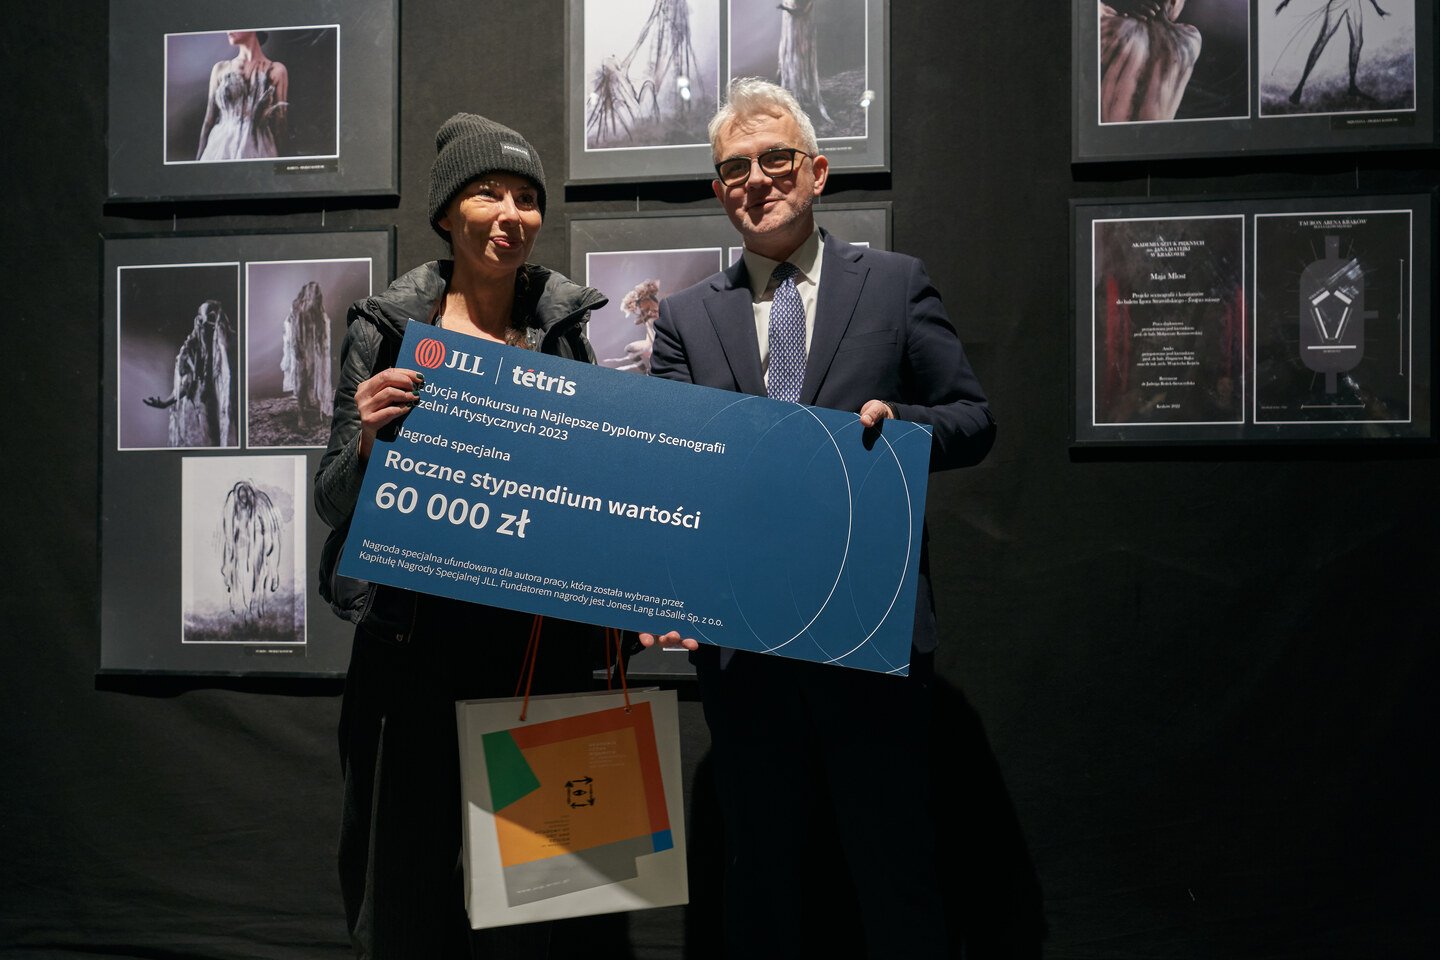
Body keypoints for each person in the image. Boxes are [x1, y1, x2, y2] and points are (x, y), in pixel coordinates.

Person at [641, 78, 996, 958]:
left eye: (776, 159)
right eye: (735, 168)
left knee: (895, 871)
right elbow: (670, 471)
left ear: (818, 171)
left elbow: (973, 419)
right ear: (719, 189)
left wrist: (901, 426)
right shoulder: (686, 318)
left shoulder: (895, 285)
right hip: (745, 647)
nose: (756, 179)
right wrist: (666, 588)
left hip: (869, 631)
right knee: (762, 880)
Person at [314, 113, 612, 958]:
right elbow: (332, 503)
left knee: (544, 901)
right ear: (448, 213)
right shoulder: (385, 331)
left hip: (536, 655)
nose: (510, 214)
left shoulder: (566, 334)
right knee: (403, 899)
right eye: (488, 194)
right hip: (411, 651)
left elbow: (594, 496)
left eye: (526, 198)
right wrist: (367, 445)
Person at [142, 299, 235, 447]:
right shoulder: (193, 349)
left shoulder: (232, 344)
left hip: (230, 405)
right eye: (203, 320)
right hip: (205, 406)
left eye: (213, 319)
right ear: (198, 321)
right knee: (213, 443)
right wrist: (166, 403)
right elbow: (187, 383)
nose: (209, 325)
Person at [196, 30, 288, 161]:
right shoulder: (220, 69)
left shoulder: (276, 70)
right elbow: (208, 120)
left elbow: (280, 123)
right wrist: (197, 161)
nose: (228, 31)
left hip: (259, 147)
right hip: (221, 146)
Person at [1276, 0, 1390, 105]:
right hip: (1338, 2)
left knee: (1357, 42)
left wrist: (1376, 6)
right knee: (1323, 39)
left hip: (1354, 2)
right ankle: (1300, 87)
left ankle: (1352, 86)